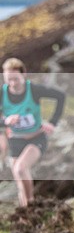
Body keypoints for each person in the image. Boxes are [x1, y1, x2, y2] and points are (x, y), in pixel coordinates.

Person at [1, 58, 66, 207]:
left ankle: (31, 205)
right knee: (20, 183)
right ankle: (26, 214)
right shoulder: (2, 94)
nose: (12, 83)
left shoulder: (34, 90)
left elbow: (60, 96)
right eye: (8, 79)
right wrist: (6, 121)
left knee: (20, 168)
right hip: (15, 140)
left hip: (36, 138)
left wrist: (53, 122)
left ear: (23, 75)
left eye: (16, 79)